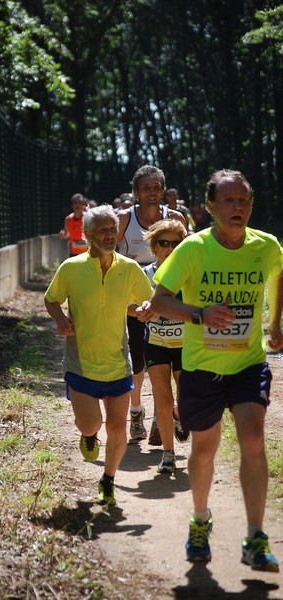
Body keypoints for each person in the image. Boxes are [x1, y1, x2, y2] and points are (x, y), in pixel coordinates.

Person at [151, 169, 283, 571]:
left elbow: (278, 276)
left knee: (254, 440)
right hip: (201, 366)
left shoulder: (267, 246)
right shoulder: (192, 248)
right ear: (211, 207)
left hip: (247, 362)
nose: (237, 206)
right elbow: (159, 300)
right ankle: (200, 520)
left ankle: (255, 536)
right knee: (205, 449)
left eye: (243, 200)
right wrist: (200, 314)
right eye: (228, 200)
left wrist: (275, 323)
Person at [45, 204, 153, 506]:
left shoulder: (130, 269)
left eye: (113, 229)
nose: (110, 234)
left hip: (118, 360)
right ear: (88, 234)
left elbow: (143, 302)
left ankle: (108, 480)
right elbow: (51, 299)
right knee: (90, 424)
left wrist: (144, 310)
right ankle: (89, 435)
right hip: (81, 362)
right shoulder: (71, 268)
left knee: (117, 427)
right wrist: (60, 320)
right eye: (103, 230)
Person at [117, 166, 185, 444]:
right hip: (136, 302)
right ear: (135, 193)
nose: (152, 192)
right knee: (138, 364)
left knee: (168, 362)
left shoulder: (176, 218)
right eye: (146, 188)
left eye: (157, 187)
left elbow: (187, 258)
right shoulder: (124, 219)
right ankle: (136, 412)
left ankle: (162, 420)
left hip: (169, 300)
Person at [141, 219, 189, 473]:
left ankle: (180, 415)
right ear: (154, 245)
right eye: (164, 243)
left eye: (176, 243)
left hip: (186, 344)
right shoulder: (146, 274)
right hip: (156, 344)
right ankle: (168, 455)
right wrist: (141, 311)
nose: (170, 248)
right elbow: (133, 304)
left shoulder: (190, 275)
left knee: (185, 399)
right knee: (162, 399)